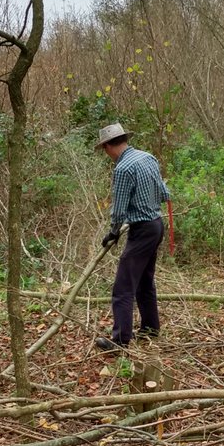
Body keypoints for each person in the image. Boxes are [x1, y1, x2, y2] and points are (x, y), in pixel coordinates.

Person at [95, 122, 171, 350]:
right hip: (156, 225)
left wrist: (113, 231)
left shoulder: (122, 168)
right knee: (145, 281)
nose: (106, 154)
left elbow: (119, 208)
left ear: (108, 146)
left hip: (143, 230)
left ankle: (119, 340)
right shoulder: (148, 158)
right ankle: (150, 328)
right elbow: (164, 192)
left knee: (123, 287)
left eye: (104, 149)